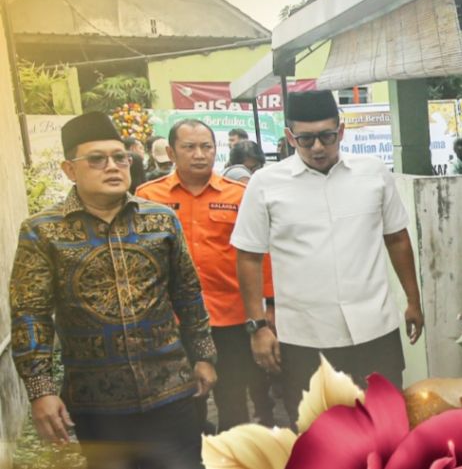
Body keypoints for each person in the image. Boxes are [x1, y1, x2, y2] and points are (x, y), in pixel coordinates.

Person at [10, 112, 216, 469]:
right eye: (96, 159)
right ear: (69, 170)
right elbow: (31, 313)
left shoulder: (160, 219)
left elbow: (187, 292)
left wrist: (203, 355)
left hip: (171, 389)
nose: (113, 166)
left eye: (120, 157)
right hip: (96, 401)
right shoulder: (43, 232)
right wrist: (40, 390)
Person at [231, 90, 425, 425]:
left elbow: (396, 237)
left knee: (387, 427)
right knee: (318, 436)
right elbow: (248, 256)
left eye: (327, 136)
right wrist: (257, 326)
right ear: (291, 137)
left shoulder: (373, 173)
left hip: (375, 331)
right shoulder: (265, 184)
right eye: (306, 139)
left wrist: (413, 300)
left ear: (342, 131)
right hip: (306, 339)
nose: (318, 147)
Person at [136, 120, 276, 433]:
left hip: (232, 319)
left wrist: (268, 307)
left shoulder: (239, 195)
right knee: (185, 402)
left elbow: (260, 255)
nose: (199, 154)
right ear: (171, 152)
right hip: (173, 320)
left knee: (235, 399)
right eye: (189, 147)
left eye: (207, 147)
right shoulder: (147, 198)